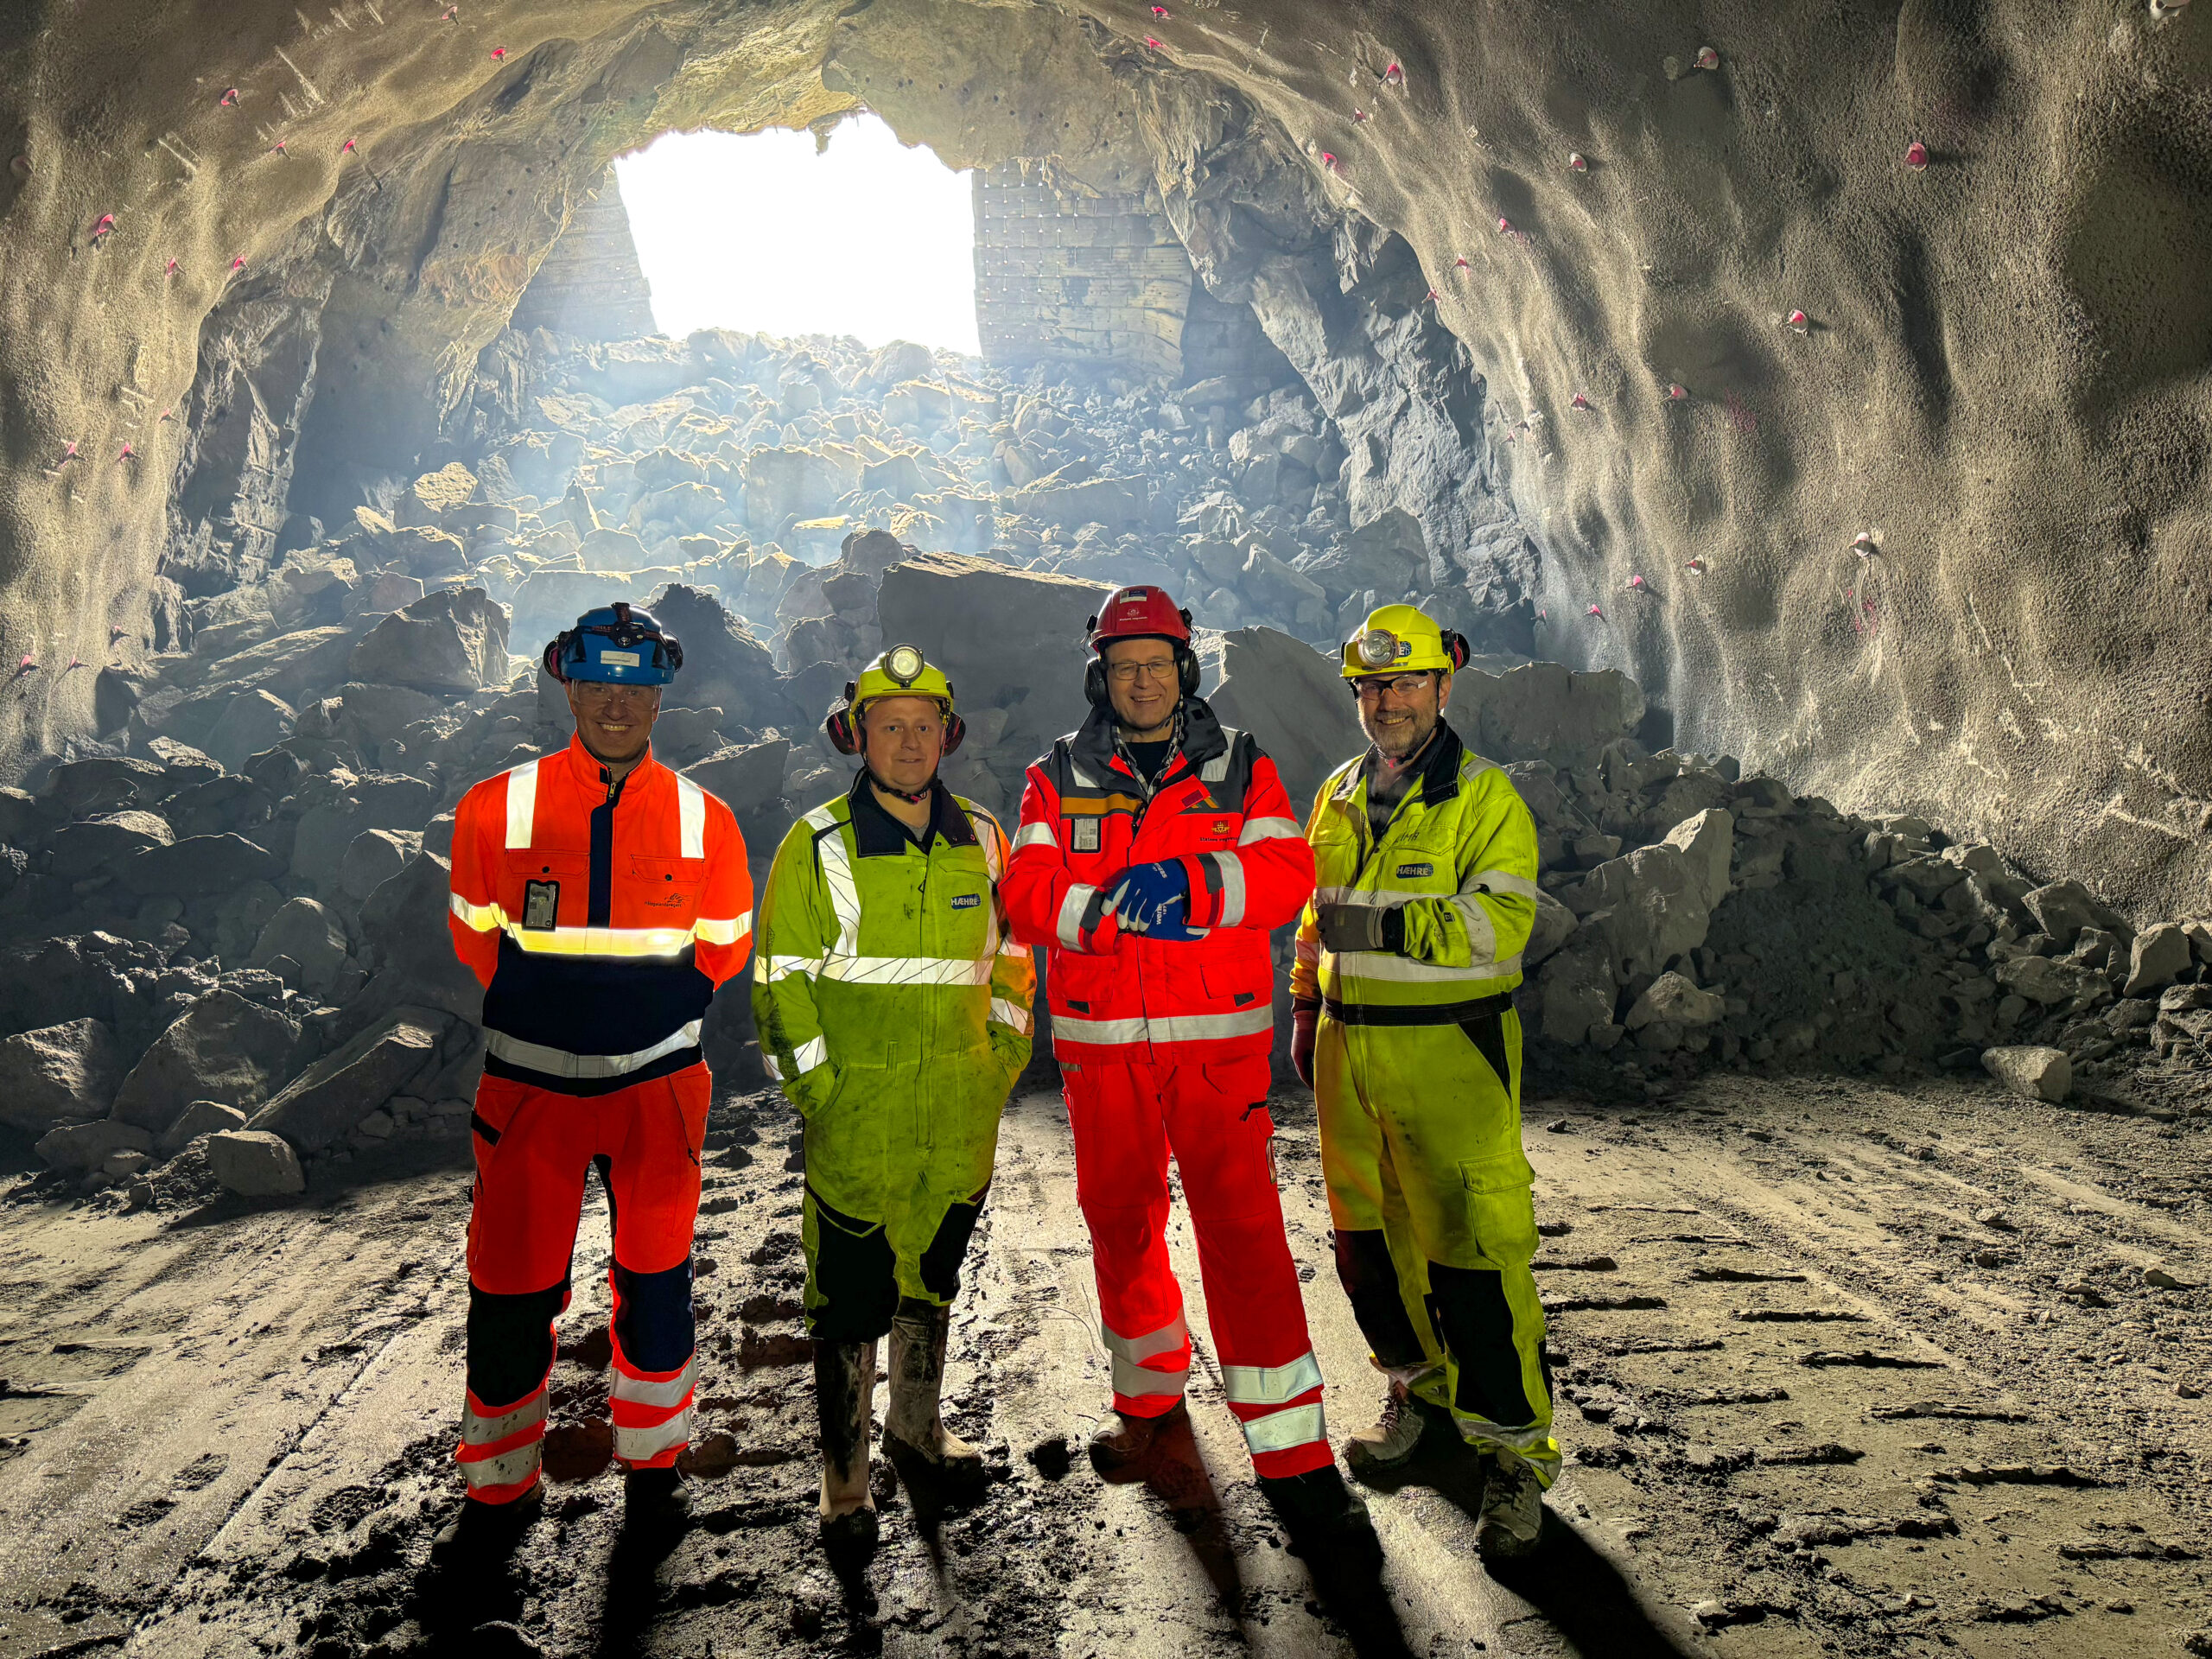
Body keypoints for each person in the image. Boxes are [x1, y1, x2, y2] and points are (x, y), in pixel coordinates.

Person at [1001, 584, 1370, 1548]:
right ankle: (1150, 1404)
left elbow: (1291, 874)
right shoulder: (1055, 776)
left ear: (1184, 669)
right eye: (1124, 667)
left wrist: (1199, 882)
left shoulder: (1240, 766)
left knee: (1243, 1237)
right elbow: (1029, 896)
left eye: (1157, 663)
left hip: (1214, 1048)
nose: (1141, 680)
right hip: (1103, 1048)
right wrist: (1110, 909)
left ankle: (1294, 1460)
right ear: (1102, 676)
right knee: (1121, 1226)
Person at [440, 602, 753, 1551]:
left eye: (635, 684)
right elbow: (474, 939)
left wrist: (633, 1023)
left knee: (655, 1275)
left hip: (656, 1089)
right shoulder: (493, 808)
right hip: (529, 1090)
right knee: (511, 1285)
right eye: (599, 683)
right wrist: (558, 1015)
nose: (616, 703)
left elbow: (724, 951)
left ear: (661, 691)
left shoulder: (707, 818)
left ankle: (654, 1463)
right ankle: (499, 1482)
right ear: (565, 683)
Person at [1289, 603, 1556, 1557]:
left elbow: (1499, 926)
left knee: (1475, 1262)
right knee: (1369, 1250)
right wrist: (1300, 1002)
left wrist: (1384, 931)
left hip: (1449, 1052)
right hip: (1347, 1053)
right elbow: (1312, 917)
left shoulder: (1485, 800)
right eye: (1372, 685)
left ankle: (1513, 1457)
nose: (1388, 701)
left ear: (1443, 687)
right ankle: (1420, 1398)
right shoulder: (1336, 792)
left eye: (1405, 683)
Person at [752, 646, 1033, 1548]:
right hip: (858, 1115)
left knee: (933, 1274)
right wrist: (818, 1089)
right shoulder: (818, 842)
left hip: (958, 1106)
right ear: (856, 735)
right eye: (888, 726)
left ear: (946, 735)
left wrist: (1002, 1059)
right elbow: (781, 977)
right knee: (847, 1295)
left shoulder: (985, 837)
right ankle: (843, 1482)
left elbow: (1016, 959)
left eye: (923, 726)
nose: (908, 743)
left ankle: (915, 1426)